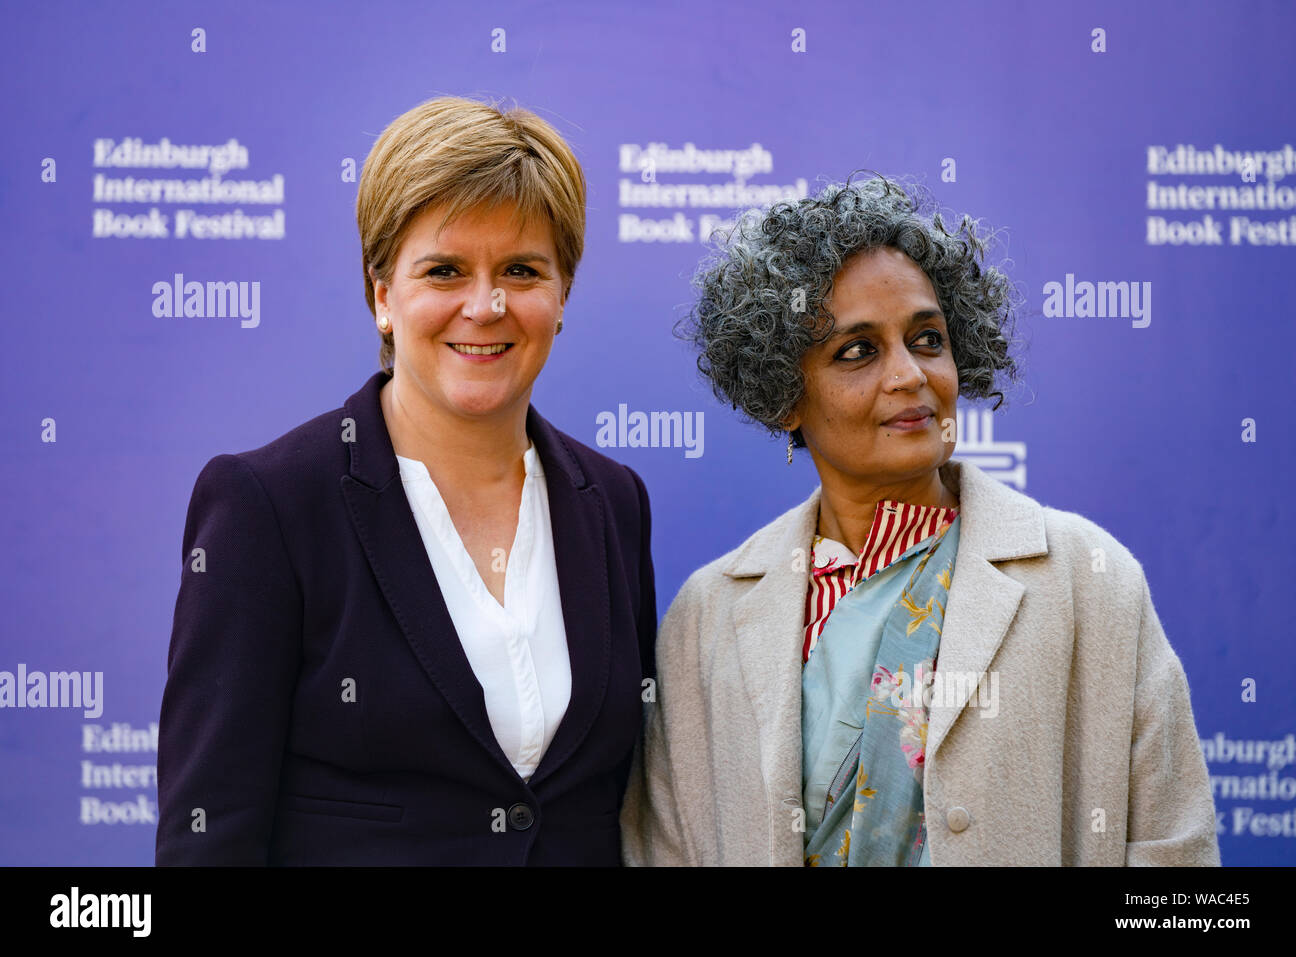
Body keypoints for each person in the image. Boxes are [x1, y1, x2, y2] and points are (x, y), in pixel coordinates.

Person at [620, 173, 1219, 866]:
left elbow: (1177, 861)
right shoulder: (709, 616)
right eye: (858, 350)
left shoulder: (1087, 580)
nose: (909, 375)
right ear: (783, 394)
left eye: (928, 339)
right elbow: (663, 852)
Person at [156, 96, 656, 865]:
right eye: (445, 270)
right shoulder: (269, 506)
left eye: (521, 270)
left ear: (561, 299)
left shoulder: (613, 501)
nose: (485, 305)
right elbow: (209, 838)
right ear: (383, 295)